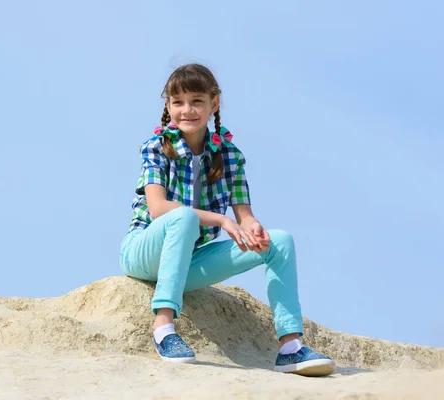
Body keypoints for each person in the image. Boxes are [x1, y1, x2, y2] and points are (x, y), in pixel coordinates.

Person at [119, 63, 336, 377]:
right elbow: (157, 208)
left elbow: (244, 217)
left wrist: (254, 230)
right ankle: (164, 327)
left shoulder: (230, 155)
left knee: (280, 241)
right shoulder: (157, 147)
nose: (187, 110)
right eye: (177, 102)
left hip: (190, 262)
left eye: (197, 101)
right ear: (168, 106)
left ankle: (290, 347)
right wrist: (220, 220)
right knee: (182, 217)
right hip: (144, 252)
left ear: (214, 103)